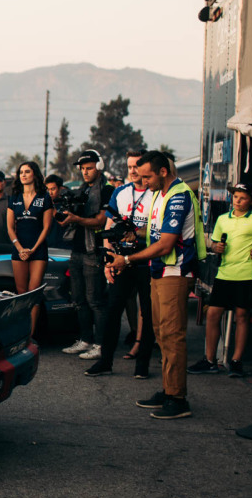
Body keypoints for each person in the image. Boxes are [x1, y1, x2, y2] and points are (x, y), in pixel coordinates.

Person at [110, 150, 205, 420]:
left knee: (173, 335)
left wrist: (126, 259)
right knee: (161, 333)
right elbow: (154, 230)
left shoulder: (178, 195)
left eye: (148, 176)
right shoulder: (160, 194)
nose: (144, 182)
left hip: (175, 272)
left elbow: (165, 243)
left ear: (163, 172)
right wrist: (133, 232)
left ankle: (178, 398)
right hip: (160, 271)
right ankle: (168, 388)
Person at [187, 183, 252, 378]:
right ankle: (210, 360)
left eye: (242, 198)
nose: (237, 201)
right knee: (213, 314)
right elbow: (216, 243)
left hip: (246, 274)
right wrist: (216, 247)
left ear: (251, 200)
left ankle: (236, 361)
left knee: (242, 316)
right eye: (235, 197)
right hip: (224, 273)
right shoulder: (223, 219)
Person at [84, 151, 154, 378]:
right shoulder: (121, 192)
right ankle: (105, 362)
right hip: (121, 261)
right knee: (113, 310)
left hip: (148, 261)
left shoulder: (157, 194)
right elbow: (109, 227)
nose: (132, 171)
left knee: (148, 312)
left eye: (137, 166)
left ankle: (142, 366)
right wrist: (108, 259)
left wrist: (138, 234)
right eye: (129, 166)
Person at [58, 150, 113, 361]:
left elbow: (100, 220)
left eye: (89, 168)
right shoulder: (81, 190)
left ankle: (100, 344)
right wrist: (67, 217)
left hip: (94, 250)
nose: (85, 172)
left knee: (95, 300)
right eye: (82, 169)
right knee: (79, 300)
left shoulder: (106, 191)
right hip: (77, 249)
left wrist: (75, 219)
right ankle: (85, 339)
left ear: (99, 166)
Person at [6, 162, 53, 336]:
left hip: (38, 250)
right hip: (19, 250)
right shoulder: (14, 197)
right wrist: (19, 248)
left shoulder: (44, 197)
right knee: (22, 294)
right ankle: (20, 333)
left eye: (27, 172)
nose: (23, 175)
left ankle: (29, 337)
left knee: (34, 294)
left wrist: (33, 249)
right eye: (21, 172)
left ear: (35, 174)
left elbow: (47, 227)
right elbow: (10, 227)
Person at [44, 175, 72, 248]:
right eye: (48, 189)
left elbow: (62, 223)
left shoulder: (67, 205)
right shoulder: (44, 205)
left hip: (64, 247)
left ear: (60, 188)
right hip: (47, 246)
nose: (50, 193)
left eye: (53, 189)